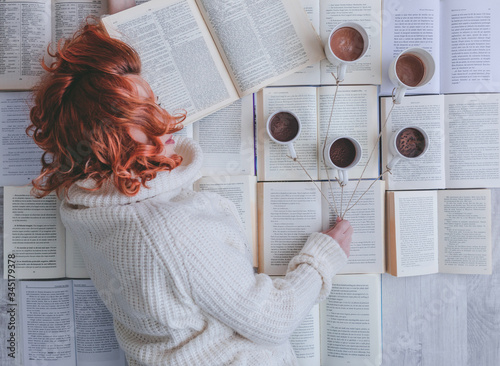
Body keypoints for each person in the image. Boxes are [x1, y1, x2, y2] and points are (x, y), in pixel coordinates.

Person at [27, 2, 353, 365]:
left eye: (152, 100)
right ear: (108, 141)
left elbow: (93, 102)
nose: (163, 119)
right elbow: (274, 320)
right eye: (143, 112)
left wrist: (122, 19)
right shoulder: (173, 234)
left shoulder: (82, 195)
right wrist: (322, 259)